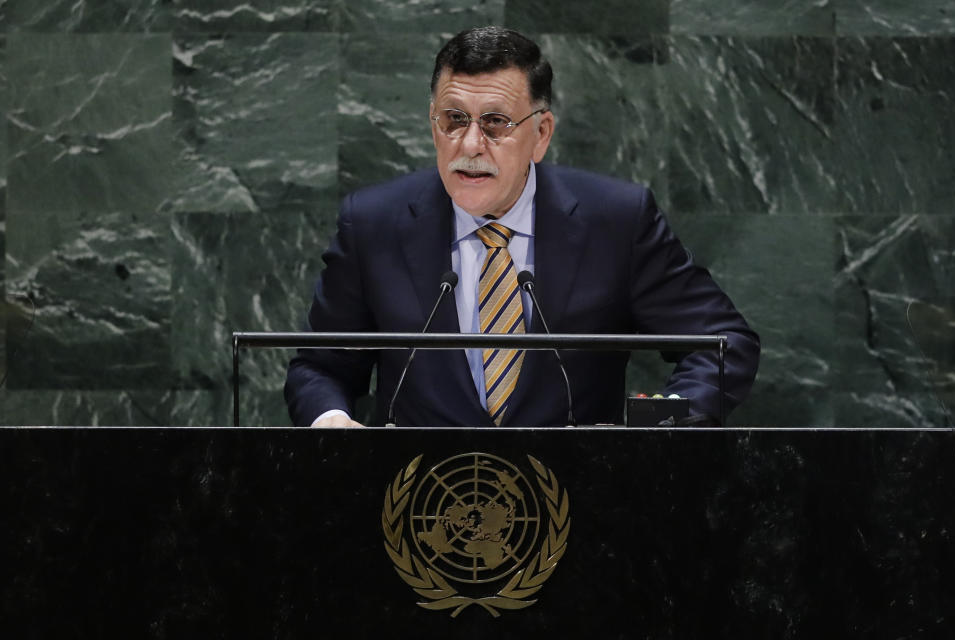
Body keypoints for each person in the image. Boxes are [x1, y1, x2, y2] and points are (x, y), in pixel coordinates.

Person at [285, 26, 760, 428]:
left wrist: (660, 428)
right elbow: (319, 369)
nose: (470, 143)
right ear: (433, 125)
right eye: (454, 120)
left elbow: (722, 343)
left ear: (541, 133)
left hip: (581, 505)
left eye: (495, 123)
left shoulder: (616, 220)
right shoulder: (373, 223)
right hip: (422, 509)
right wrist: (330, 421)